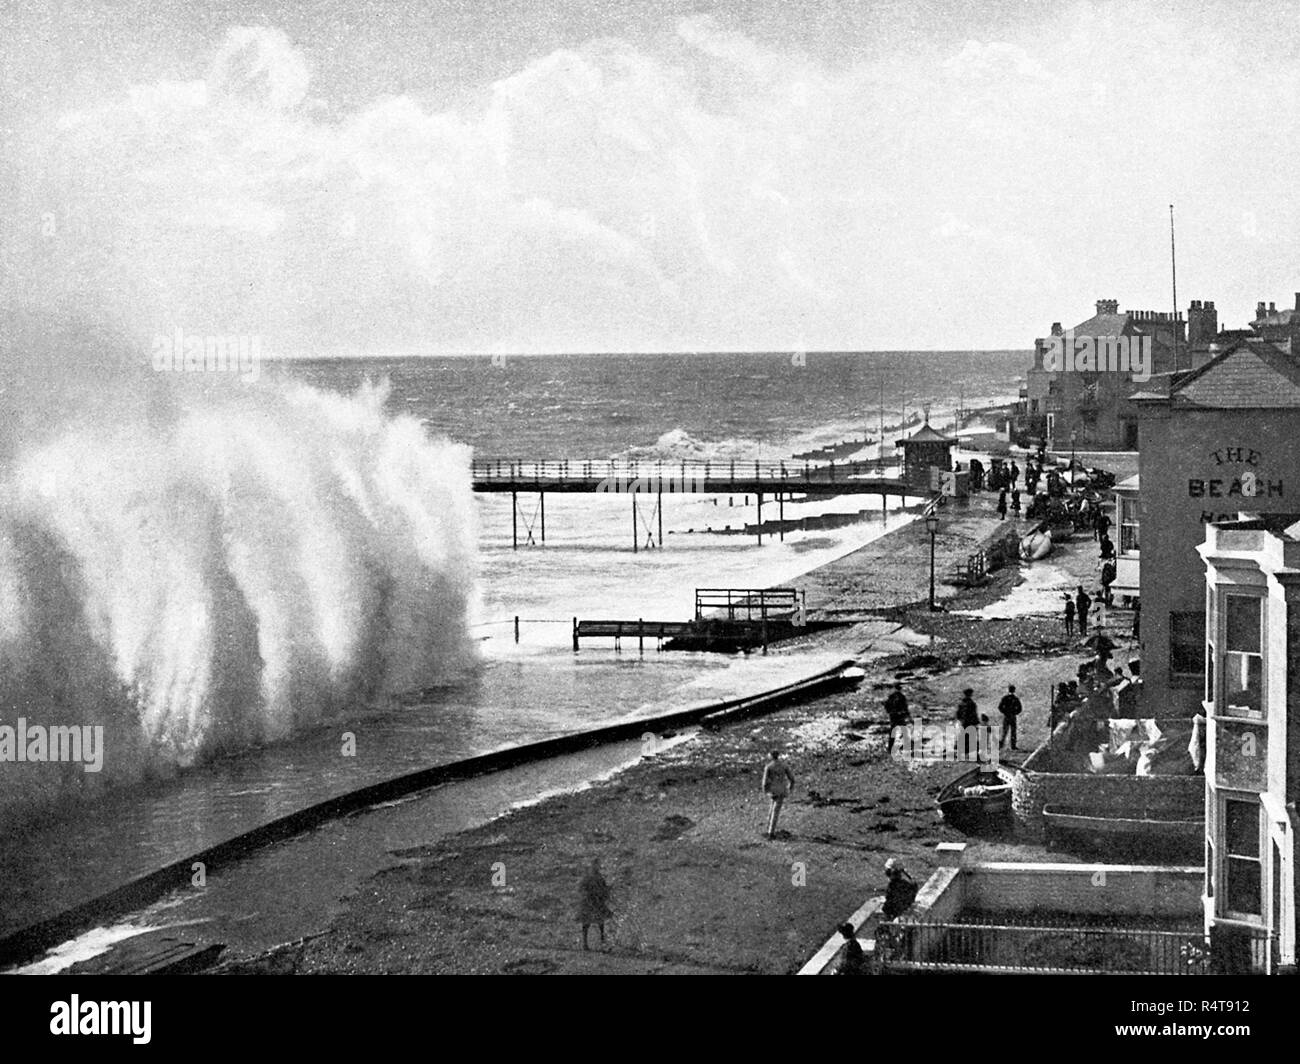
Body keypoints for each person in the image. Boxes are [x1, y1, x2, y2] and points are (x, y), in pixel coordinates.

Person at [577, 858, 613, 950]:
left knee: (600, 923)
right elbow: (581, 889)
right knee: (588, 923)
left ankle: (600, 943)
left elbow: (604, 890)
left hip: (596, 901)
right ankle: (587, 943)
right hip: (590, 901)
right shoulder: (589, 877)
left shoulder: (598, 877)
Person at [761, 749, 796, 839]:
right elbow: (792, 779)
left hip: (773, 790)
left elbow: (764, 782)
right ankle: (770, 831)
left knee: (772, 809)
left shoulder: (768, 767)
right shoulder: (784, 766)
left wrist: (765, 791)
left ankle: (769, 831)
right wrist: (790, 788)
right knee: (775, 811)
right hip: (782, 790)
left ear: (771, 756)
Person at [955, 688, 979, 758]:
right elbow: (974, 714)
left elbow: (958, 714)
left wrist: (960, 720)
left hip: (963, 722)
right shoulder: (972, 703)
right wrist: (976, 722)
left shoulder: (961, 703)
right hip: (970, 723)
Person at [997, 684, 1022, 750]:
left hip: (1006, 716)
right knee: (1013, 732)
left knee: (1004, 731)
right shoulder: (1015, 698)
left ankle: (1001, 745)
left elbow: (1000, 707)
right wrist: (1015, 713)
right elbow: (1020, 708)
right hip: (1012, 716)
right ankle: (1013, 746)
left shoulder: (1005, 698)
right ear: (1014, 690)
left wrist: (1005, 712)